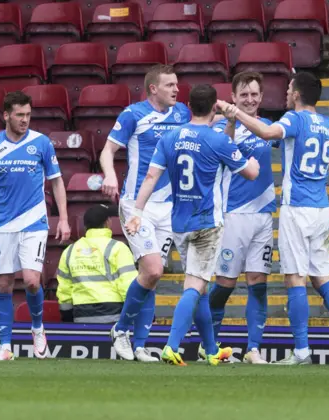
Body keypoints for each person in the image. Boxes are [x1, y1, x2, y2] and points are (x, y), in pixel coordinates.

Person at [217, 72, 329, 366]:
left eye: (288, 89)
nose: (285, 93)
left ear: (296, 95)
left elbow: (268, 134)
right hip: (322, 210)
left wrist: (235, 113)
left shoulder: (292, 120)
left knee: (295, 278)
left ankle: (300, 351)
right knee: (322, 276)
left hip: (296, 208)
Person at [125, 84, 260, 366]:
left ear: (188, 104)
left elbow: (150, 176)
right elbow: (248, 173)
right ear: (214, 108)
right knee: (195, 286)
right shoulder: (217, 140)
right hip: (206, 223)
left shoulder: (171, 137)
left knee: (198, 287)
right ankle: (172, 345)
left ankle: (211, 350)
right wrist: (254, 163)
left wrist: (137, 211)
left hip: (179, 223)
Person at [0, 91, 71, 361]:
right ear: (6, 115)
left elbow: (57, 181)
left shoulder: (42, 143)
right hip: (3, 223)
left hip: (35, 221)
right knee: (3, 284)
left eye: (28, 115)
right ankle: (5, 346)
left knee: (32, 281)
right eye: (19, 115)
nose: (25, 120)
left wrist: (63, 218)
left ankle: (37, 330)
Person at [100, 64, 191, 361]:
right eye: (169, 85)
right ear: (153, 89)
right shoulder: (133, 115)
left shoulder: (182, 114)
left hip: (168, 206)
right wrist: (110, 175)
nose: (176, 89)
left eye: (177, 84)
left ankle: (139, 345)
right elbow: (107, 151)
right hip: (135, 205)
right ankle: (122, 330)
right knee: (152, 269)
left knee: (152, 276)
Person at [205, 71, 275, 364]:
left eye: (254, 94)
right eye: (243, 94)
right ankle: (210, 347)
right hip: (232, 215)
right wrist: (232, 120)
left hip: (263, 215)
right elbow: (223, 151)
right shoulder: (220, 125)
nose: (249, 99)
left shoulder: (269, 127)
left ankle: (254, 349)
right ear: (233, 97)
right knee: (224, 284)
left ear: (261, 97)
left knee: (259, 282)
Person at [55, 204, 159, 362]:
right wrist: (145, 314)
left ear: (85, 226)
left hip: (81, 317)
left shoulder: (69, 251)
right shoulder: (118, 248)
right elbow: (128, 286)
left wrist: (68, 320)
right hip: (115, 317)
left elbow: (64, 292)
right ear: (108, 223)